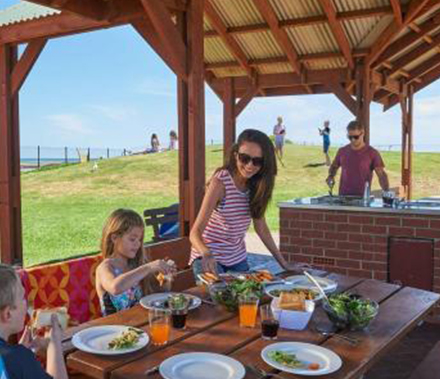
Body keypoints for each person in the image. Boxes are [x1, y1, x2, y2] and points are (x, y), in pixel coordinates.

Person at [190, 129, 297, 276]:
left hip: (237, 258)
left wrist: (284, 263)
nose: (250, 165)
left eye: (257, 161)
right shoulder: (220, 183)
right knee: (218, 297)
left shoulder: (257, 185)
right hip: (209, 257)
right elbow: (194, 233)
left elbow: (262, 229)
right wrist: (206, 254)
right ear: (235, 156)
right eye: (244, 158)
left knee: (250, 296)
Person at [96, 209, 177, 316]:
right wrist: (148, 267)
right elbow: (115, 287)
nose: (138, 244)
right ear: (115, 238)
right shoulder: (105, 267)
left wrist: (166, 278)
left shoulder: (135, 265)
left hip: (138, 325)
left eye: (140, 240)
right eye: (132, 239)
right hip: (113, 328)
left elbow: (160, 291)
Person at [326, 120, 390, 196]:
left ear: (362, 133)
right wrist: (331, 176)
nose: (353, 140)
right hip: (343, 199)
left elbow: (381, 175)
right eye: (350, 137)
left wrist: (386, 192)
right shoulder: (342, 151)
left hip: (363, 200)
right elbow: (334, 166)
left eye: (356, 137)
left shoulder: (372, 153)